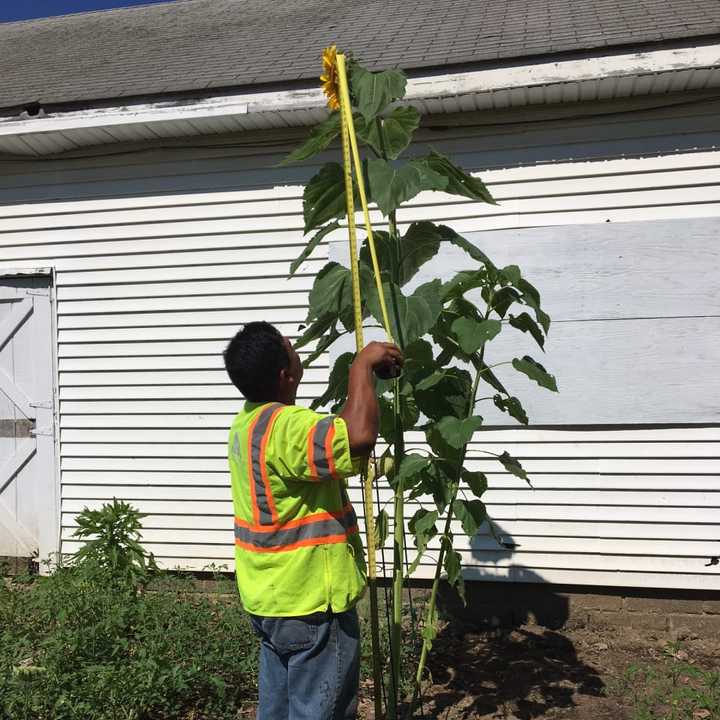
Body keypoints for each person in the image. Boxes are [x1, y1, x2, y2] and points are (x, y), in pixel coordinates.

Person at [223, 321, 403, 720]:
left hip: (270, 599)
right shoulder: (288, 426)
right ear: (286, 374)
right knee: (321, 711)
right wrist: (361, 367)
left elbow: (328, 440)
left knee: (279, 708)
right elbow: (356, 436)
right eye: (289, 348)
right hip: (312, 602)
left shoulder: (248, 424)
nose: (294, 347)